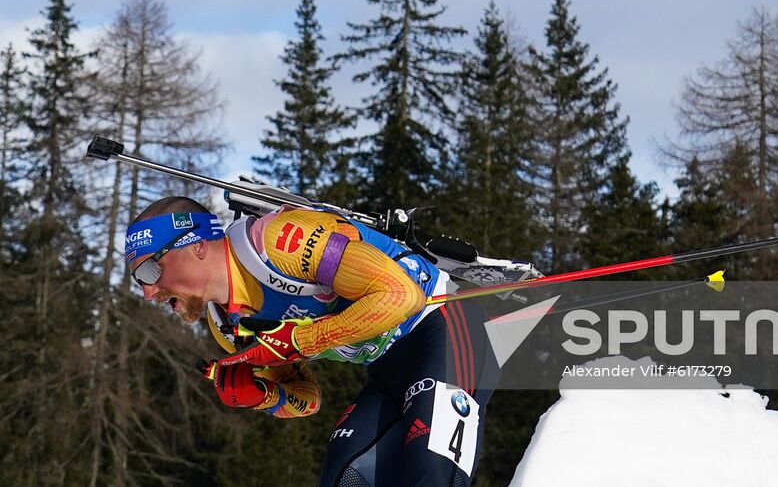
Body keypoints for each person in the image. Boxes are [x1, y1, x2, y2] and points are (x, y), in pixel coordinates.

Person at [124, 195, 498, 487]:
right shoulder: (228, 325)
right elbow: (307, 398)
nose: (148, 292)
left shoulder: (280, 241)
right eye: (139, 280)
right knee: (346, 478)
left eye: (150, 269)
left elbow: (402, 297)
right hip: (387, 370)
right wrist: (265, 395)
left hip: (447, 324)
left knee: (430, 475)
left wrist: (302, 338)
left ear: (196, 246)